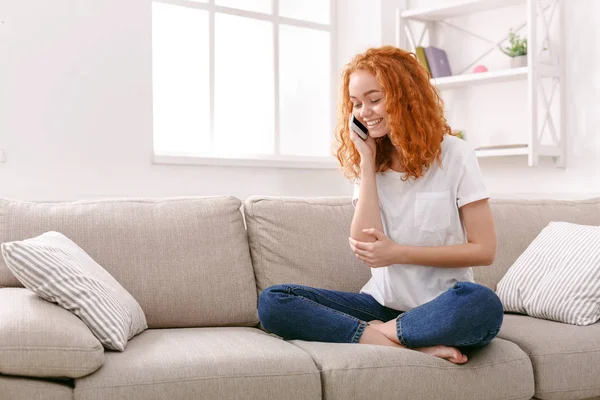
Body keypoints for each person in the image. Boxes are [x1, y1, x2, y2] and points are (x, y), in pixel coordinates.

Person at [258, 46, 503, 365]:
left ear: (406, 98)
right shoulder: (369, 162)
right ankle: (402, 343)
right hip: (379, 303)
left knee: (482, 304)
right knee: (274, 301)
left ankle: (377, 334)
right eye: (357, 103)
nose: (364, 111)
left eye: (374, 100)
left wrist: (399, 253)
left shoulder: (456, 155)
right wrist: (368, 162)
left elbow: (484, 250)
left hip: (442, 307)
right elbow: (365, 244)